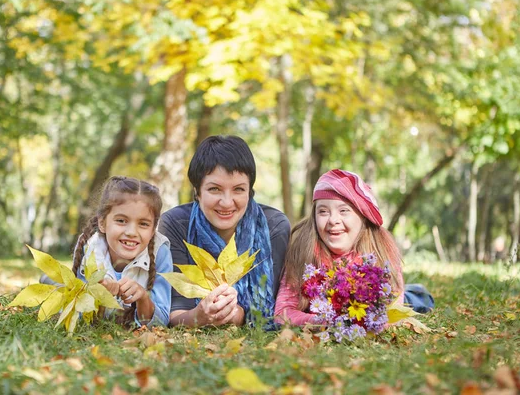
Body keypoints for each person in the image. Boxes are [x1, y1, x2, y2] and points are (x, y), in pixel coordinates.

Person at [158, 135, 290, 327]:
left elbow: (278, 309)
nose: (227, 202)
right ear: (197, 191)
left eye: (238, 189)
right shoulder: (176, 223)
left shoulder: (274, 226)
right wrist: (200, 316)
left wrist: (238, 315)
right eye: (215, 189)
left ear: (250, 191)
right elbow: (175, 313)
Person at [275, 169, 434, 326]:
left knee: (417, 299)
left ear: (362, 217)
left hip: (388, 301)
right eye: (323, 211)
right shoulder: (302, 251)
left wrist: (356, 322)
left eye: (344, 210)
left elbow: (391, 313)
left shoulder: (381, 250)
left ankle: (417, 292)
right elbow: (282, 313)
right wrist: (321, 321)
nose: (333, 220)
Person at [69, 176, 173, 327]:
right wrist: (98, 296)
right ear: (102, 223)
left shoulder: (161, 253)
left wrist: (143, 298)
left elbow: (161, 321)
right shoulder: (90, 247)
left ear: (153, 230)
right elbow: (78, 315)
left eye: (143, 224)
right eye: (121, 221)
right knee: (55, 284)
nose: (131, 232)